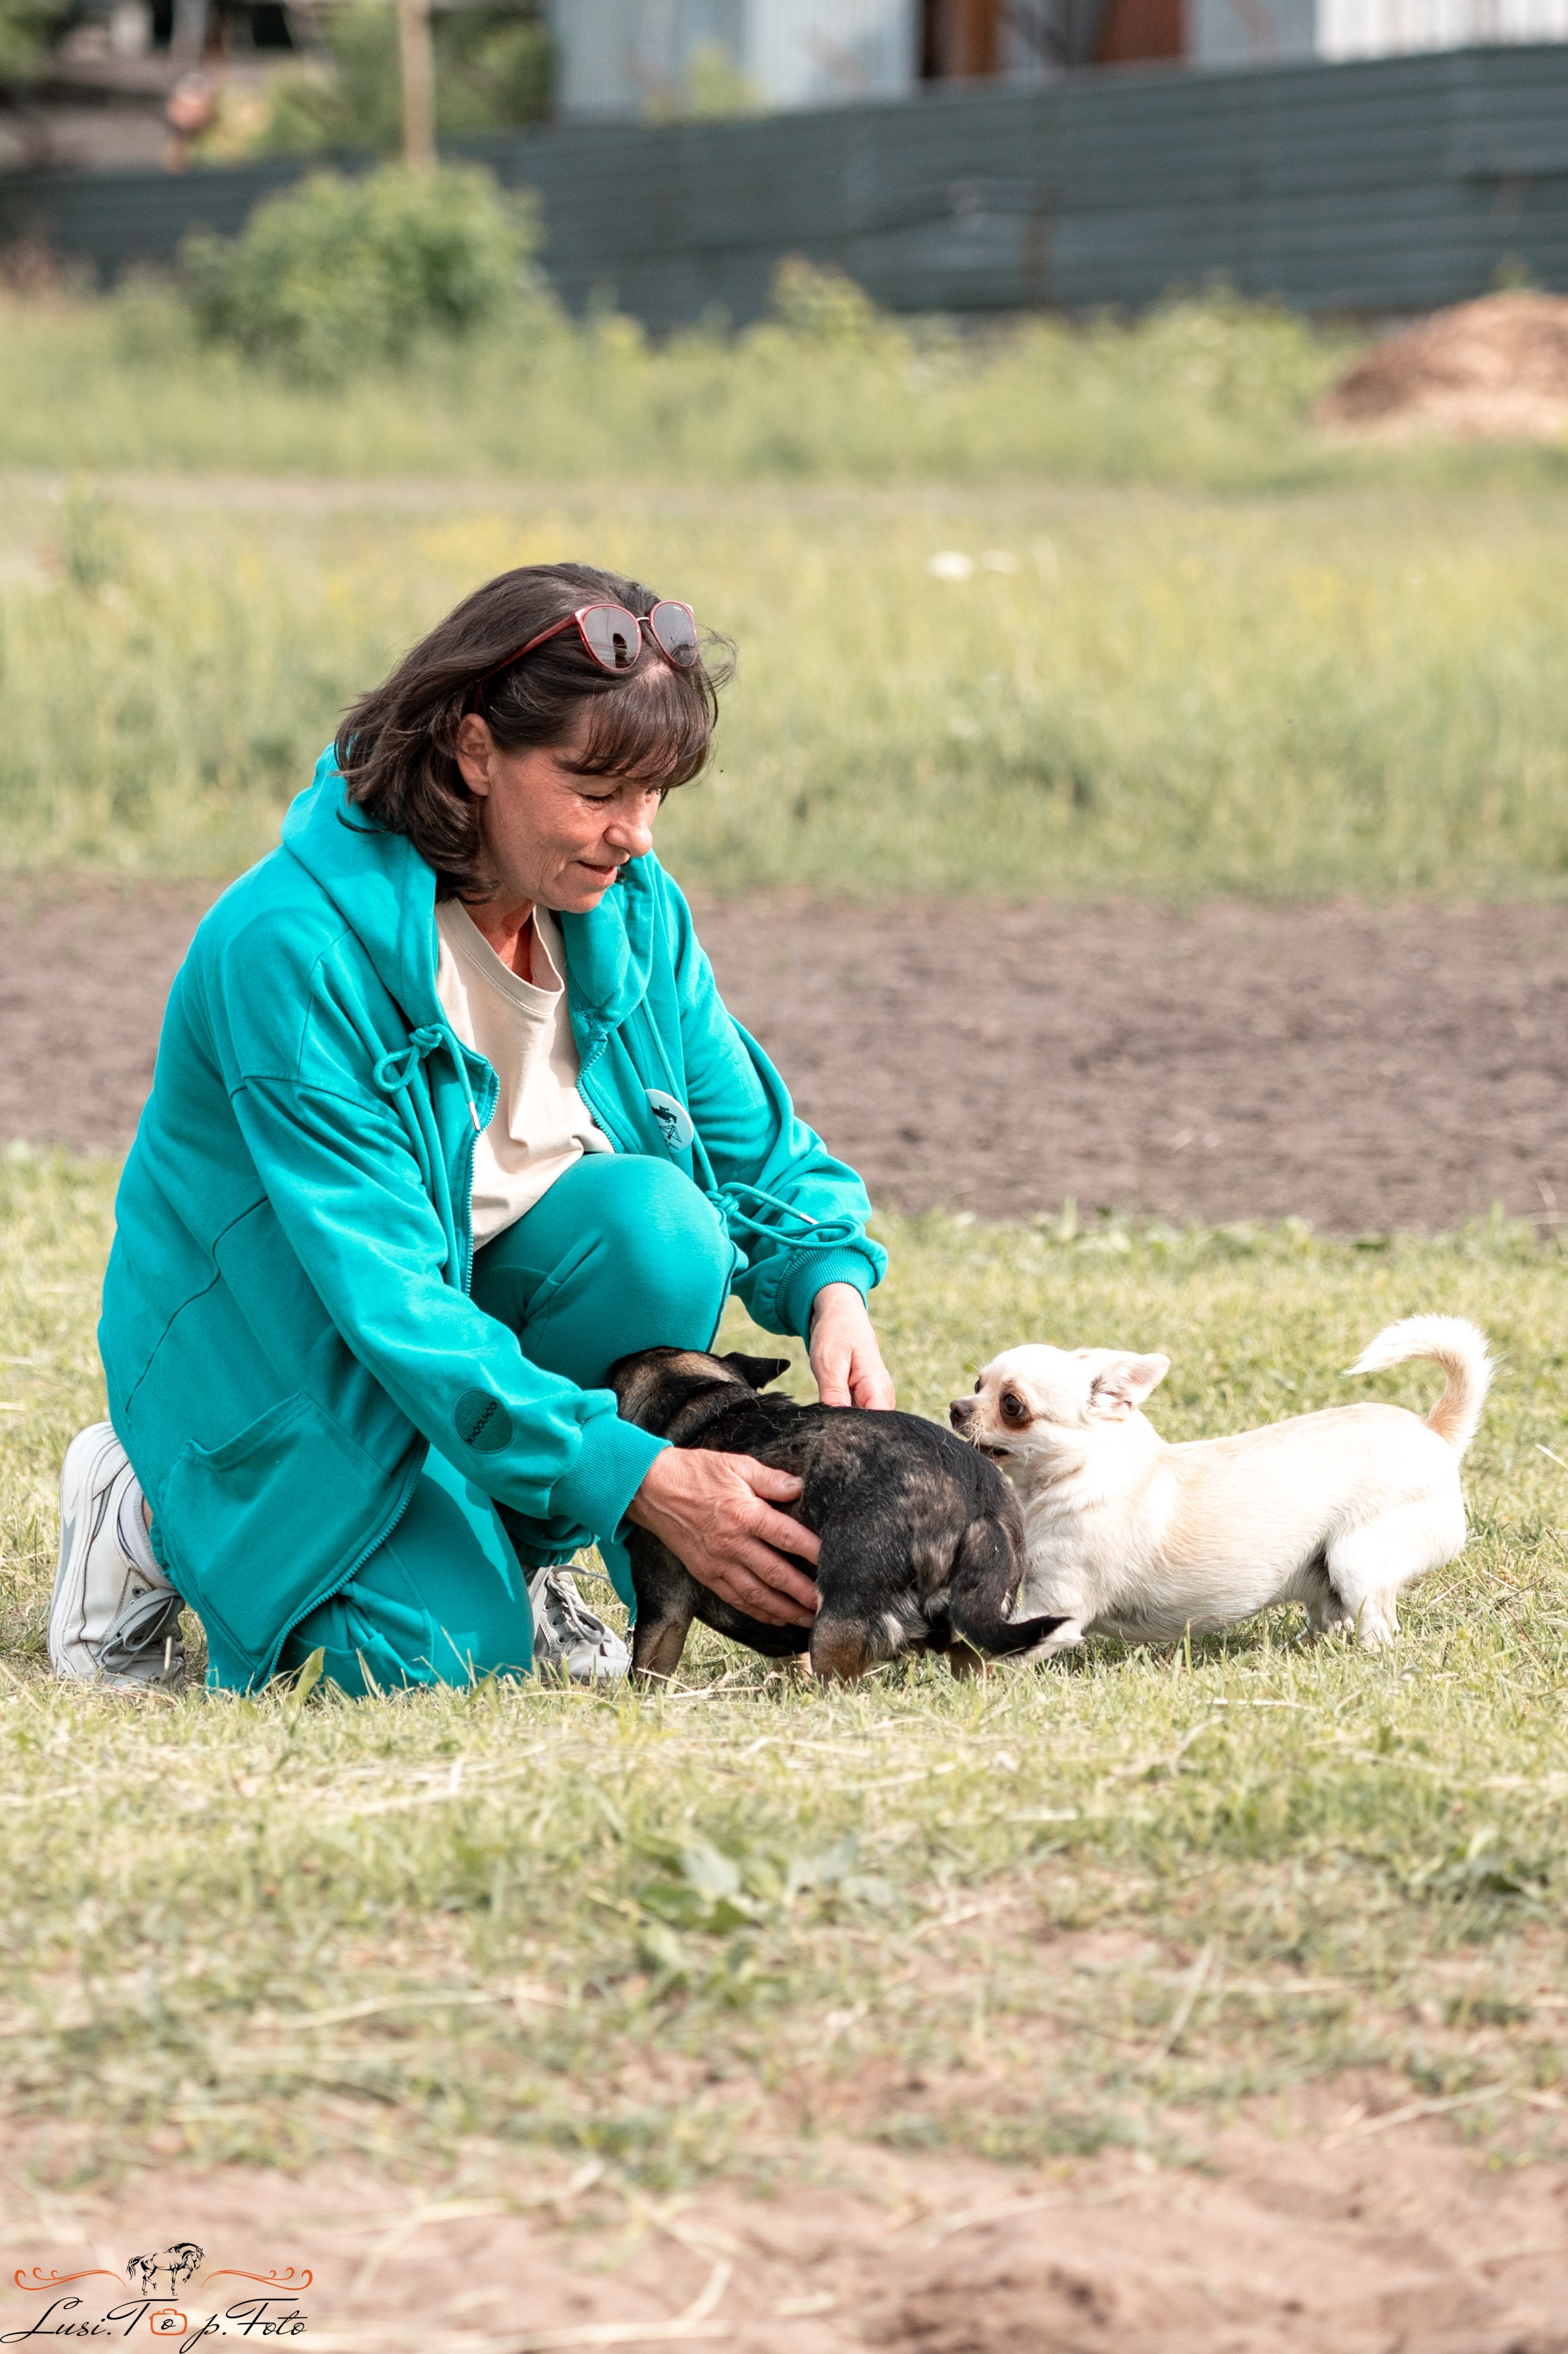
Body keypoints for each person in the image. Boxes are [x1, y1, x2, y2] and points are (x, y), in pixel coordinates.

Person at [50, 563, 893, 1696]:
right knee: (431, 1663)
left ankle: (508, 1544)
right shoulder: (290, 949)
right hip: (292, 1350)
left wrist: (831, 1284)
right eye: (599, 789)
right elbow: (387, 1303)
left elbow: (747, 1141)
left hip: (461, 1324)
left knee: (660, 1229)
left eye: (656, 795)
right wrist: (636, 1475)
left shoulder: (624, 904)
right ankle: (143, 1502)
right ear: (475, 747)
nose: (634, 836)